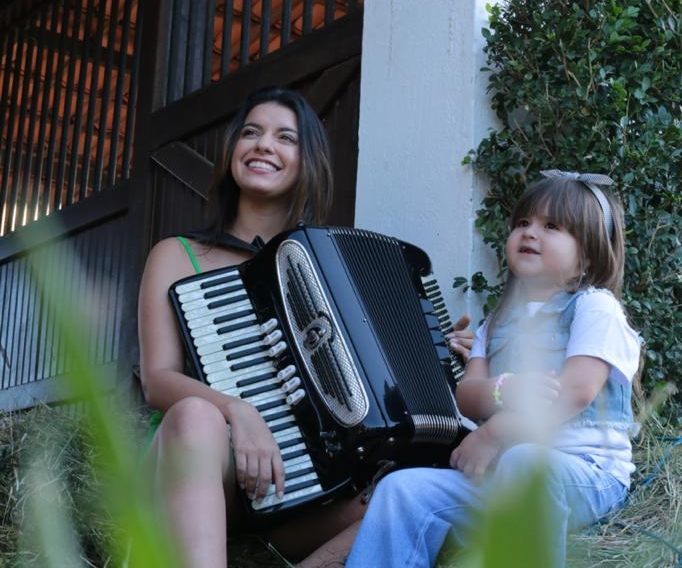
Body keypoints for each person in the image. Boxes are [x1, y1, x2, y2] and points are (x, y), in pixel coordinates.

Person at [137, 86, 473, 568]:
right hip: (199, 465)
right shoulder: (178, 254)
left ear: (307, 160)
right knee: (197, 416)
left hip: (299, 489)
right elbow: (157, 380)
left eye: (284, 138)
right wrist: (239, 412)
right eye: (250, 133)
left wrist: (437, 355)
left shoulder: (329, 267)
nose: (263, 145)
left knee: (415, 493)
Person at [341, 170, 642, 568]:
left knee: (525, 463)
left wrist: (497, 430)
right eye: (523, 223)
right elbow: (467, 396)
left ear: (586, 255)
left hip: (586, 474)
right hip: (505, 474)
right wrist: (504, 388)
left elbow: (576, 392)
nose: (530, 233)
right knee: (401, 489)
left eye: (551, 226)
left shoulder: (594, 307)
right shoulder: (497, 322)